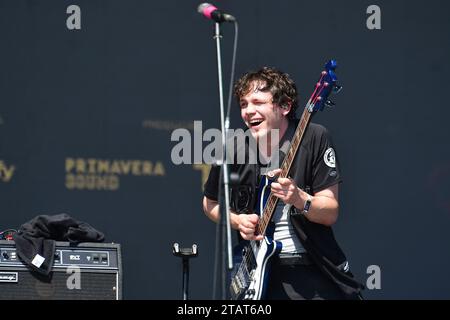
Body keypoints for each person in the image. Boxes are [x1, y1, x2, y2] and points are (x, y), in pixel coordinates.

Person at [202, 67, 363, 300]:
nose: (248, 111)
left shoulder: (314, 137)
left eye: (257, 102)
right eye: (244, 104)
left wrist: (299, 198)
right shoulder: (232, 148)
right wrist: (238, 221)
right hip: (258, 274)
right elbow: (210, 203)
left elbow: (329, 212)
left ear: (285, 106)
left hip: (310, 270)